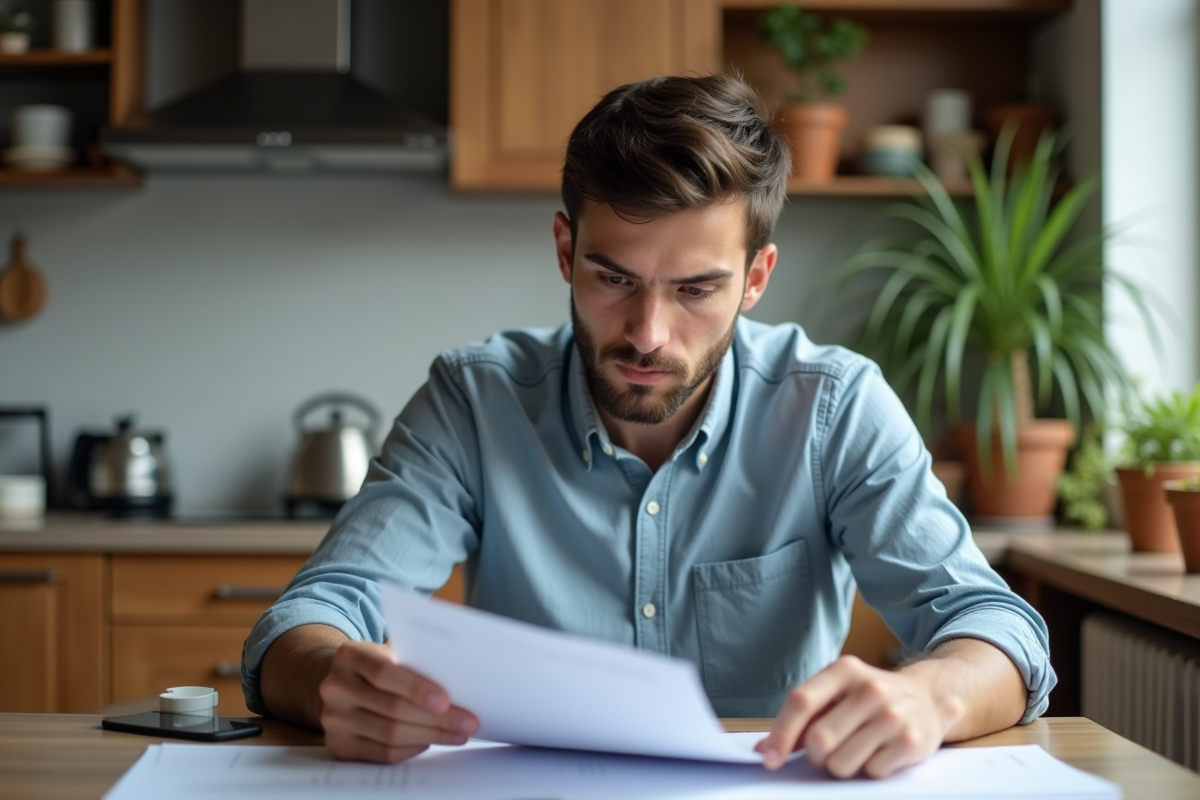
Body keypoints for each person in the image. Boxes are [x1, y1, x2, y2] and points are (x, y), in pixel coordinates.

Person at [242, 73, 1055, 779]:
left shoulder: (833, 407)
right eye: (613, 277)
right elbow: (311, 615)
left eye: (696, 289)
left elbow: (996, 627)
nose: (646, 334)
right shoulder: (475, 401)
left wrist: (930, 693)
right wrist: (332, 681)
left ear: (756, 279)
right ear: (566, 249)